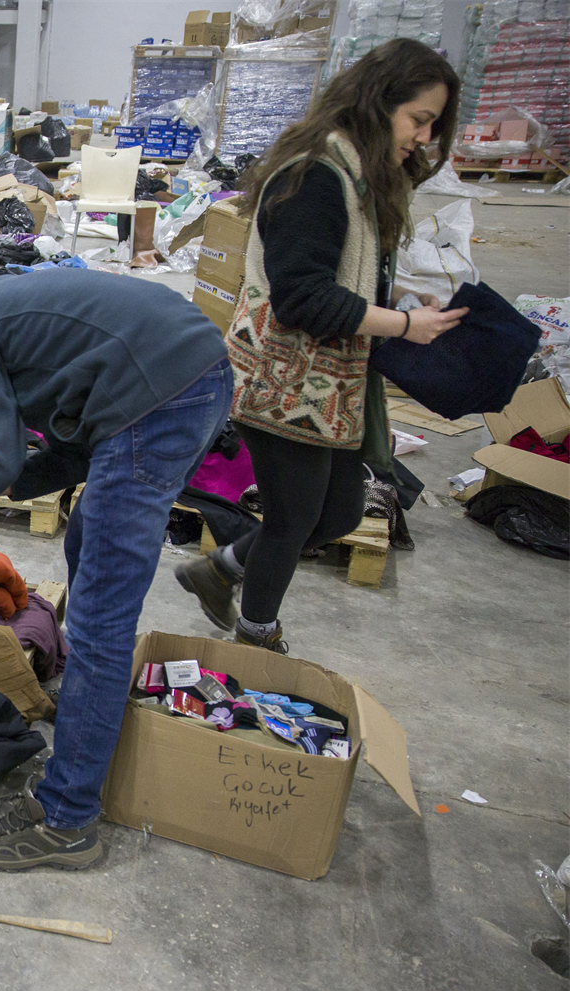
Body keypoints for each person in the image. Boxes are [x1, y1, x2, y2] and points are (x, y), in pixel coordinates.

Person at [0, 268, 232, 872]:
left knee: (100, 618)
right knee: (88, 543)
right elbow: (66, 450)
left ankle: (67, 817)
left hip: (157, 400)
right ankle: (83, 723)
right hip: (188, 374)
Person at [175, 39, 465, 652]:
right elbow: (302, 298)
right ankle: (258, 638)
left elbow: (347, 277)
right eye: (418, 119)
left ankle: (221, 568)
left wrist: (403, 306)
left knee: (337, 515)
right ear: (377, 104)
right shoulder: (314, 177)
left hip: (327, 382)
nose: (424, 137)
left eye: (433, 124)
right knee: (292, 519)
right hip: (280, 380)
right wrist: (405, 327)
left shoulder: (359, 178)